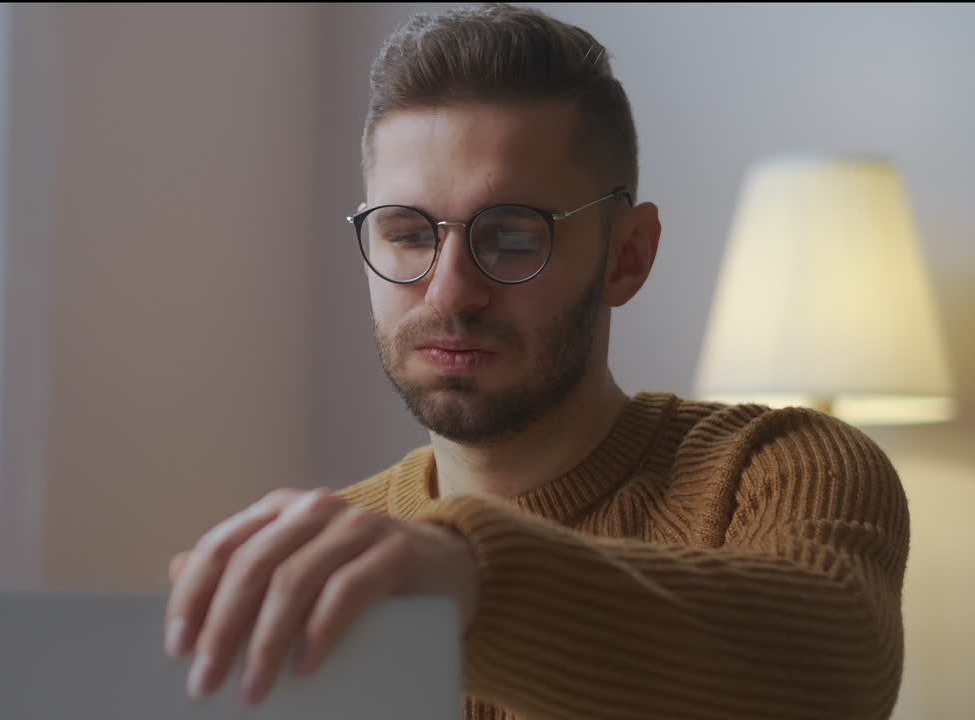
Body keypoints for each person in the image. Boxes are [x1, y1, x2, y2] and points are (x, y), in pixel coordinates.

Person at [162, 3, 909, 718]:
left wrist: (464, 576)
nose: (452, 292)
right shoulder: (333, 558)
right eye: (409, 235)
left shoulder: (773, 472)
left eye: (512, 238)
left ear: (628, 256)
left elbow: (832, 677)